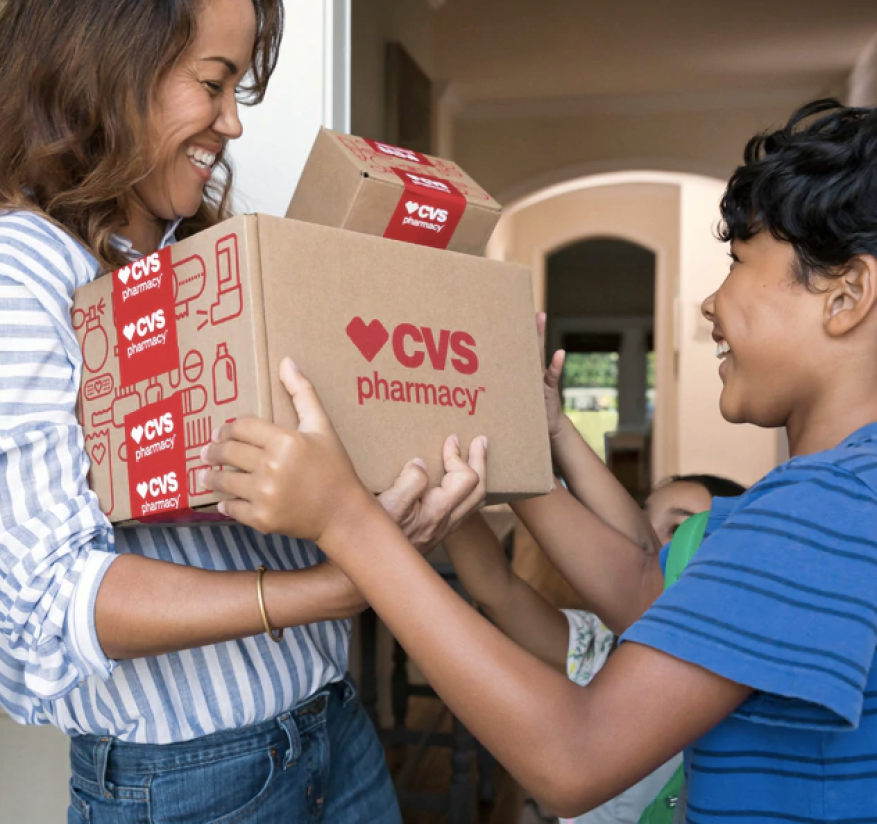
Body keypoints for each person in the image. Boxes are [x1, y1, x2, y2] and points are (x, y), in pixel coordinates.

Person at [202, 97, 877, 821]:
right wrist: (509, 418)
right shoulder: (835, 502)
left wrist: (344, 520)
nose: (711, 302)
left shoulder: (822, 510)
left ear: (846, 293)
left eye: (739, 262)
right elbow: (647, 588)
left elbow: (574, 754)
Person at [0, 2, 484, 822]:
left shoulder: (189, 258)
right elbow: (49, 600)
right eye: (214, 83)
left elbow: (280, 486)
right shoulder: (25, 273)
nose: (231, 123)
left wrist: (382, 509)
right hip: (194, 782)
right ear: (105, 73)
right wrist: (332, 588)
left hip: (331, 724)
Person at [443, 471, 746, 824]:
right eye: (640, 521)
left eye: (679, 531)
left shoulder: (736, 685)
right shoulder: (599, 645)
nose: (642, 547)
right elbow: (498, 589)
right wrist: (449, 495)